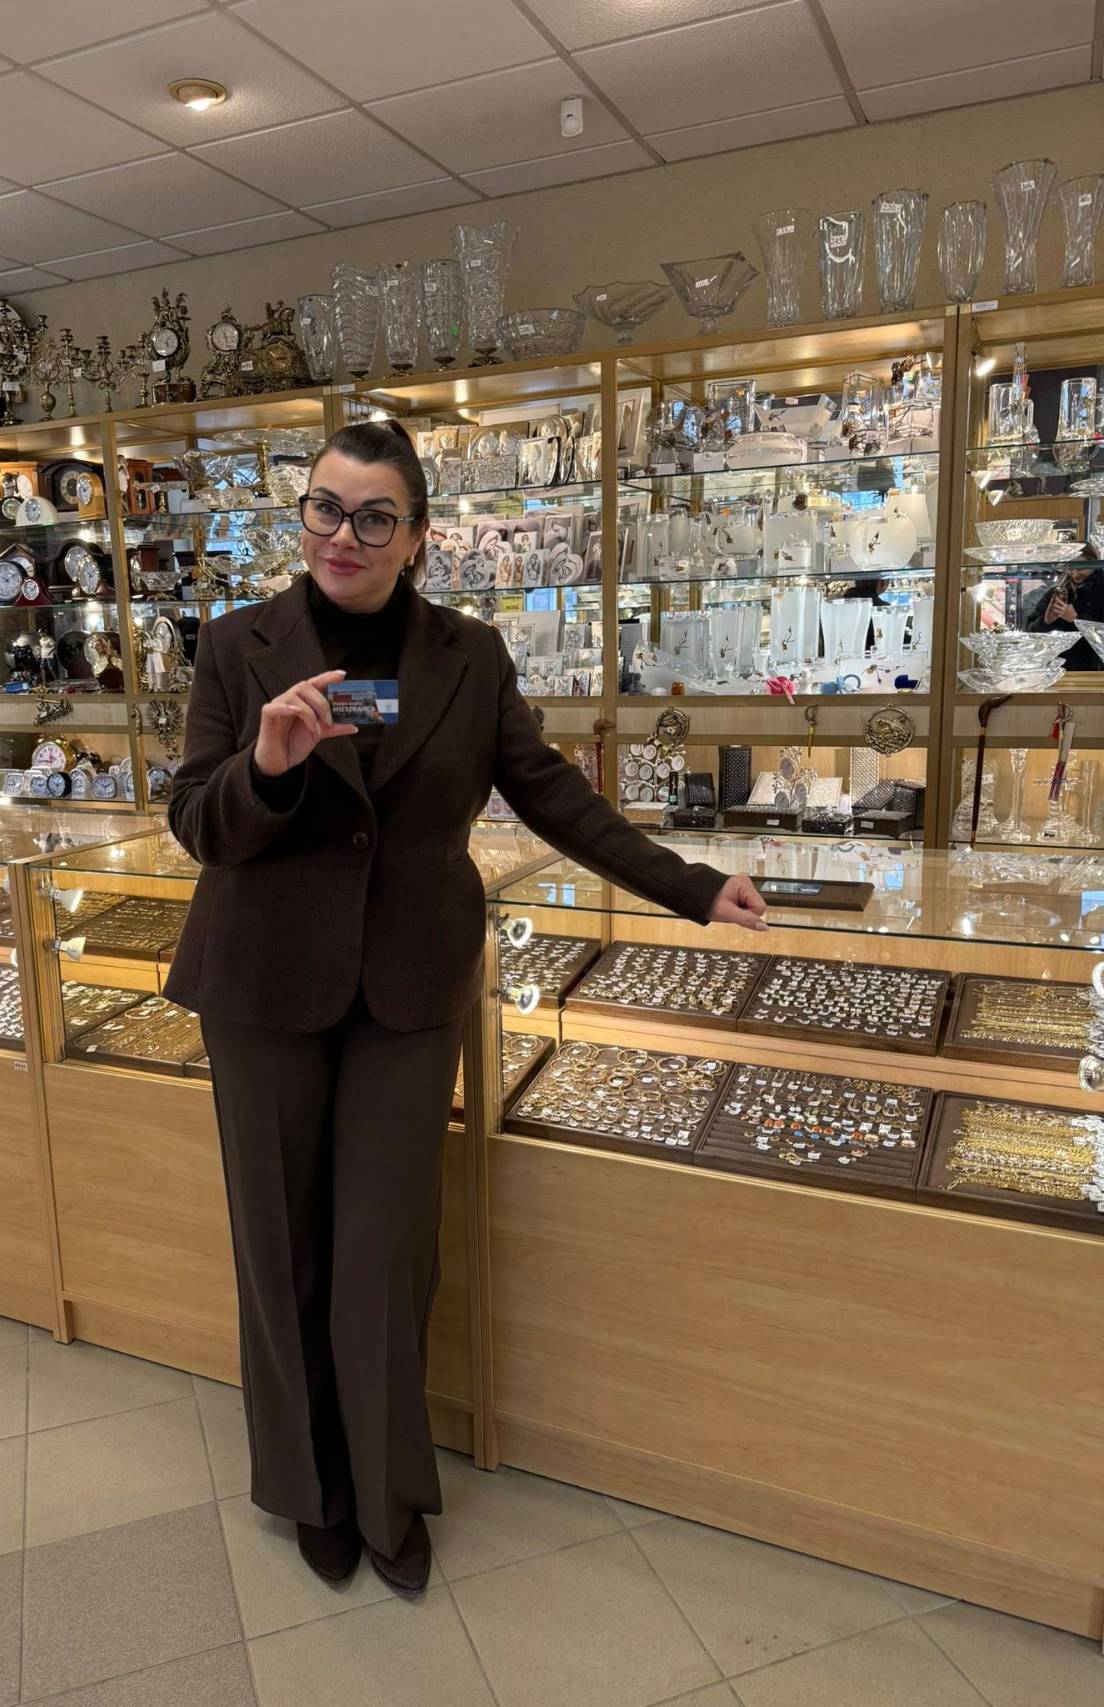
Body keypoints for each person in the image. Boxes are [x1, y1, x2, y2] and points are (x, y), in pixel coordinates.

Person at [164, 419, 766, 1596]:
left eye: (373, 517)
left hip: (405, 985)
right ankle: (308, 1489)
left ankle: (385, 1493)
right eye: (325, 509)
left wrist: (688, 886)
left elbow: (549, 795)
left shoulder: (467, 656)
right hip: (262, 984)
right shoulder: (239, 644)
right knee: (278, 1247)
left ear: (418, 538)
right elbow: (197, 822)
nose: (343, 536)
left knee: (384, 1250)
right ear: (302, 517)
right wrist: (266, 768)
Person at [1027, 564, 1104, 672]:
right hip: (1054, 670)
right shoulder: (1057, 593)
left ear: (1093, 563)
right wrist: (1045, 621)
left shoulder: (1099, 593)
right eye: (1071, 568)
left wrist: (1076, 620)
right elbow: (1030, 634)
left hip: (1094, 672)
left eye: (1080, 567)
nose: (1075, 574)